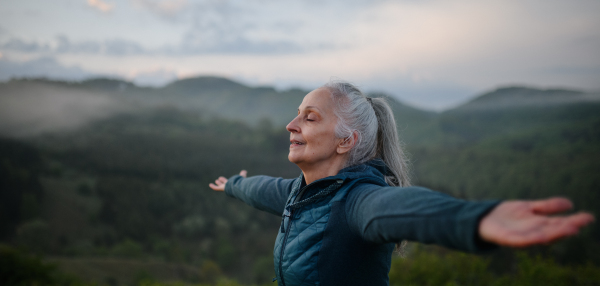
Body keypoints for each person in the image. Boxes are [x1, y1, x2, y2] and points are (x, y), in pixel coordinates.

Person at [209, 80, 594, 286]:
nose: (291, 126)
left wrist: (474, 219)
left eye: (309, 118)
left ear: (346, 141)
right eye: (296, 115)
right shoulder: (299, 192)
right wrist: (234, 185)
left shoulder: (359, 201)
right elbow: (262, 189)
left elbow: (403, 208)